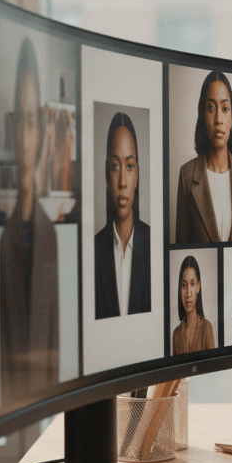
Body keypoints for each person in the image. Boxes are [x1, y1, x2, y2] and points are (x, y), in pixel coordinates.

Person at [0, 37, 59, 401]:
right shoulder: (2, 240)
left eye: (33, 121)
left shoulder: (49, 235)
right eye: (19, 120)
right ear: (10, 126)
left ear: (42, 132)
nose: (24, 136)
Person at [175, 71, 232, 242]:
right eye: (211, 108)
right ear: (202, 114)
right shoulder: (187, 175)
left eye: (225, 109)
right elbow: (181, 253)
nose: (218, 119)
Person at [94, 112, 151, 319]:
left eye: (129, 166)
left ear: (137, 175)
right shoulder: (93, 249)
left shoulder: (155, 243)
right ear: (107, 176)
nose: (123, 182)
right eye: (115, 167)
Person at [171, 256, 215, 354]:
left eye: (193, 284)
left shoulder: (206, 328)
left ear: (198, 286)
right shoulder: (176, 334)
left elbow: (213, 365)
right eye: (184, 285)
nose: (188, 293)